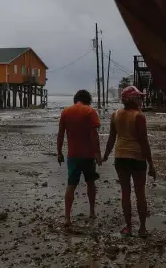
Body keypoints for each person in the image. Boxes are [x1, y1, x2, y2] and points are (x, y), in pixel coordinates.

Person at [103, 86, 156, 238]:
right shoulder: (138, 116)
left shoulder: (115, 114)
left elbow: (112, 137)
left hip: (120, 157)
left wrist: (106, 155)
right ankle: (142, 229)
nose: (141, 100)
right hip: (137, 158)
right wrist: (151, 164)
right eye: (138, 97)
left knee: (125, 193)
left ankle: (128, 228)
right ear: (131, 99)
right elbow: (144, 141)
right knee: (140, 193)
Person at [57, 90, 102, 227]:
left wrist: (59, 152)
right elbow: (94, 135)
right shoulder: (90, 112)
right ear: (88, 100)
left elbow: (60, 134)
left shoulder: (65, 112)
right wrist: (98, 154)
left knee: (71, 185)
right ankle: (92, 211)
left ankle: (67, 218)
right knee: (90, 183)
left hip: (73, 155)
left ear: (75, 99)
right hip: (88, 155)